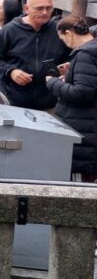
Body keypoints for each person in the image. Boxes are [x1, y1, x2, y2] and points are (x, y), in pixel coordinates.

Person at [0, 0, 70, 110]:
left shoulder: (59, 31)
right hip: (14, 100)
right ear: (27, 8)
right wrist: (11, 71)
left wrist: (67, 68)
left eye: (48, 8)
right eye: (39, 8)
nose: (44, 12)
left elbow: (71, 58)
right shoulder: (10, 30)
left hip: (50, 101)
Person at [46, 15, 97, 181]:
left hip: (84, 125)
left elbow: (81, 92)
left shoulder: (85, 55)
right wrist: (68, 76)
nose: (65, 44)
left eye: (63, 39)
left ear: (68, 33)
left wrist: (53, 83)